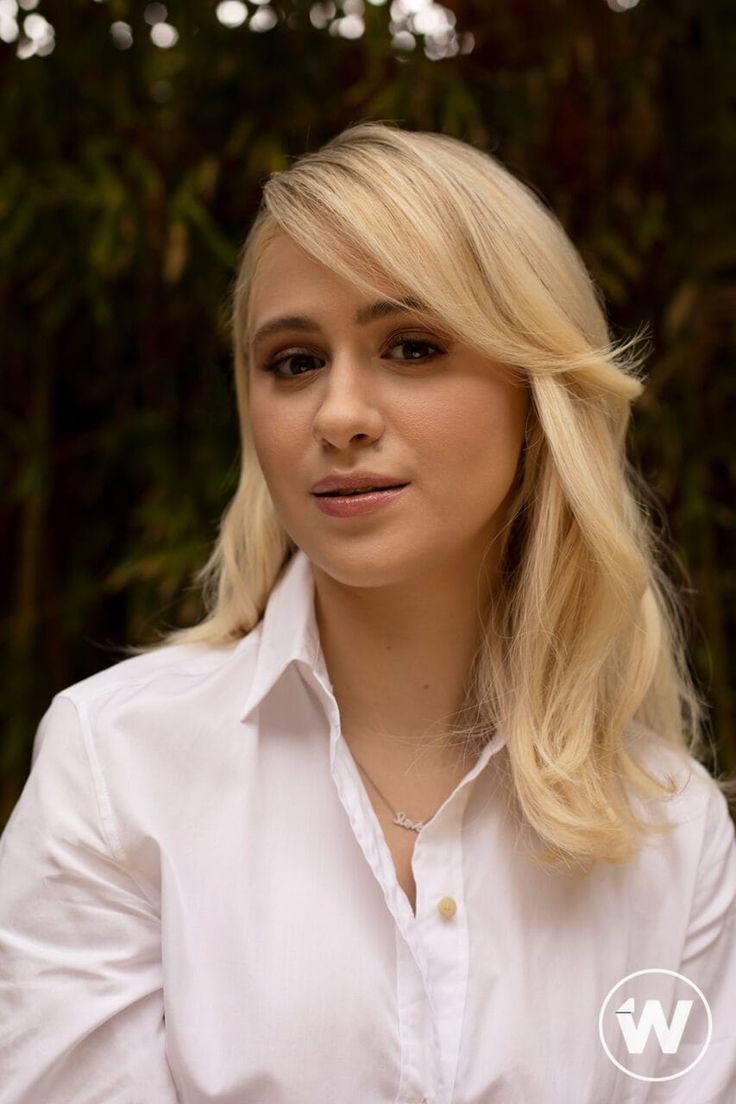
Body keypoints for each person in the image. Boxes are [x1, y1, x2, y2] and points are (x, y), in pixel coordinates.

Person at [0, 121, 734, 1104]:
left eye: (412, 346)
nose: (338, 414)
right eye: (294, 362)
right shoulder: (117, 768)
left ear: (536, 391)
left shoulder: (672, 830)